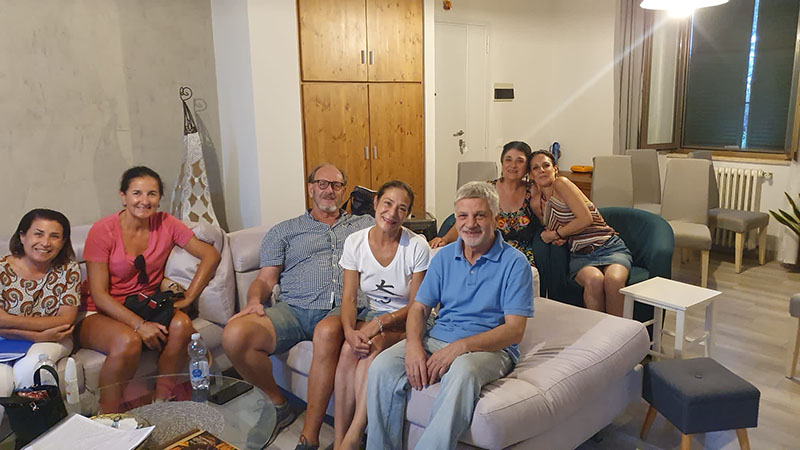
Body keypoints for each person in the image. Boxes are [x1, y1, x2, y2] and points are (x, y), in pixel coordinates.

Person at [366, 181, 534, 450]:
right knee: (382, 366)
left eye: (480, 215)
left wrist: (461, 347)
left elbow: (514, 331)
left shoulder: (515, 263)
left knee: (464, 371)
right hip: (437, 337)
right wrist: (413, 345)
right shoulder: (443, 257)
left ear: (495, 217)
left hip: (491, 349)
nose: (470, 224)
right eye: (463, 216)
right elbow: (419, 308)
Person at [222, 164, 374, 450]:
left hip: (341, 309)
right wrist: (254, 302)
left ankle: (309, 438)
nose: (329, 190)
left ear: (344, 191)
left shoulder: (364, 225)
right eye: (322, 184)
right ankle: (278, 404)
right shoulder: (285, 231)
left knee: (327, 331)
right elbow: (265, 279)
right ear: (311, 188)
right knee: (234, 334)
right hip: (293, 309)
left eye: (337, 185)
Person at [79, 166, 220, 409]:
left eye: (152, 194)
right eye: (137, 193)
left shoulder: (166, 223)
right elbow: (99, 295)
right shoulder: (103, 231)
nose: (144, 201)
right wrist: (139, 325)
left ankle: (162, 400)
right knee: (128, 341)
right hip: (100, 311)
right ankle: (108, 415)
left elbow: (210, 254)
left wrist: (189, 297)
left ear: (159, 198)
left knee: (182, 325)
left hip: (144, 304)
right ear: (123, 196)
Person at [333, 181, 430, 450]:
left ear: (408, 214)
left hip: (409, 320)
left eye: (402, 208)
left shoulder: (417, 246)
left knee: (370, 349)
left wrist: (380, 323)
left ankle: (353, 437)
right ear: (375, 204)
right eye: (387, 203)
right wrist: (349, 331)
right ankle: (339, 440)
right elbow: (349, 298)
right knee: (347, 350)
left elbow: (418, 305)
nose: (392, 213)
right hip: (372, 314)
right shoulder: (355, 242)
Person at [528, 149, 632, 316]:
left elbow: (585, 219)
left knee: (614, 280)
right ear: (531, 175)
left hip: (608, 246)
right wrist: (558, 236)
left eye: (546, 165)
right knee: (594, 281)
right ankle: (596, 331)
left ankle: (619, 330)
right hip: (581, 254)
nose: (541, 170)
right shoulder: (536, 203)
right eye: (535, 168)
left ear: (555, 169)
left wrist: (556, 235)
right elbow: (552, 229)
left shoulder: (562, 183)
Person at [0, 209, 80, 397]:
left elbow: (65, 320)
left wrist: (8, 320)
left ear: (63, 242)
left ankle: (36, 417)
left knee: (31, 369)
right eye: (38, 234)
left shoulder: (68, 269)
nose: (45, 243)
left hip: (54, 338)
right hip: (7, 341)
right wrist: (35, 335)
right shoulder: (1, 269)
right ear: (22, 236)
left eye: (54, 236)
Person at [430, 141, 538, 266]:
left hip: (522, 257)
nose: (513, 165)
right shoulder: (486, 190)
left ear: (527, 167)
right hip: (487, 252)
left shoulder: (533, 190)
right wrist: (444, 239)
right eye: (508, 160)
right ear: (502, 163)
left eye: (520, 161)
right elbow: (467, 220)